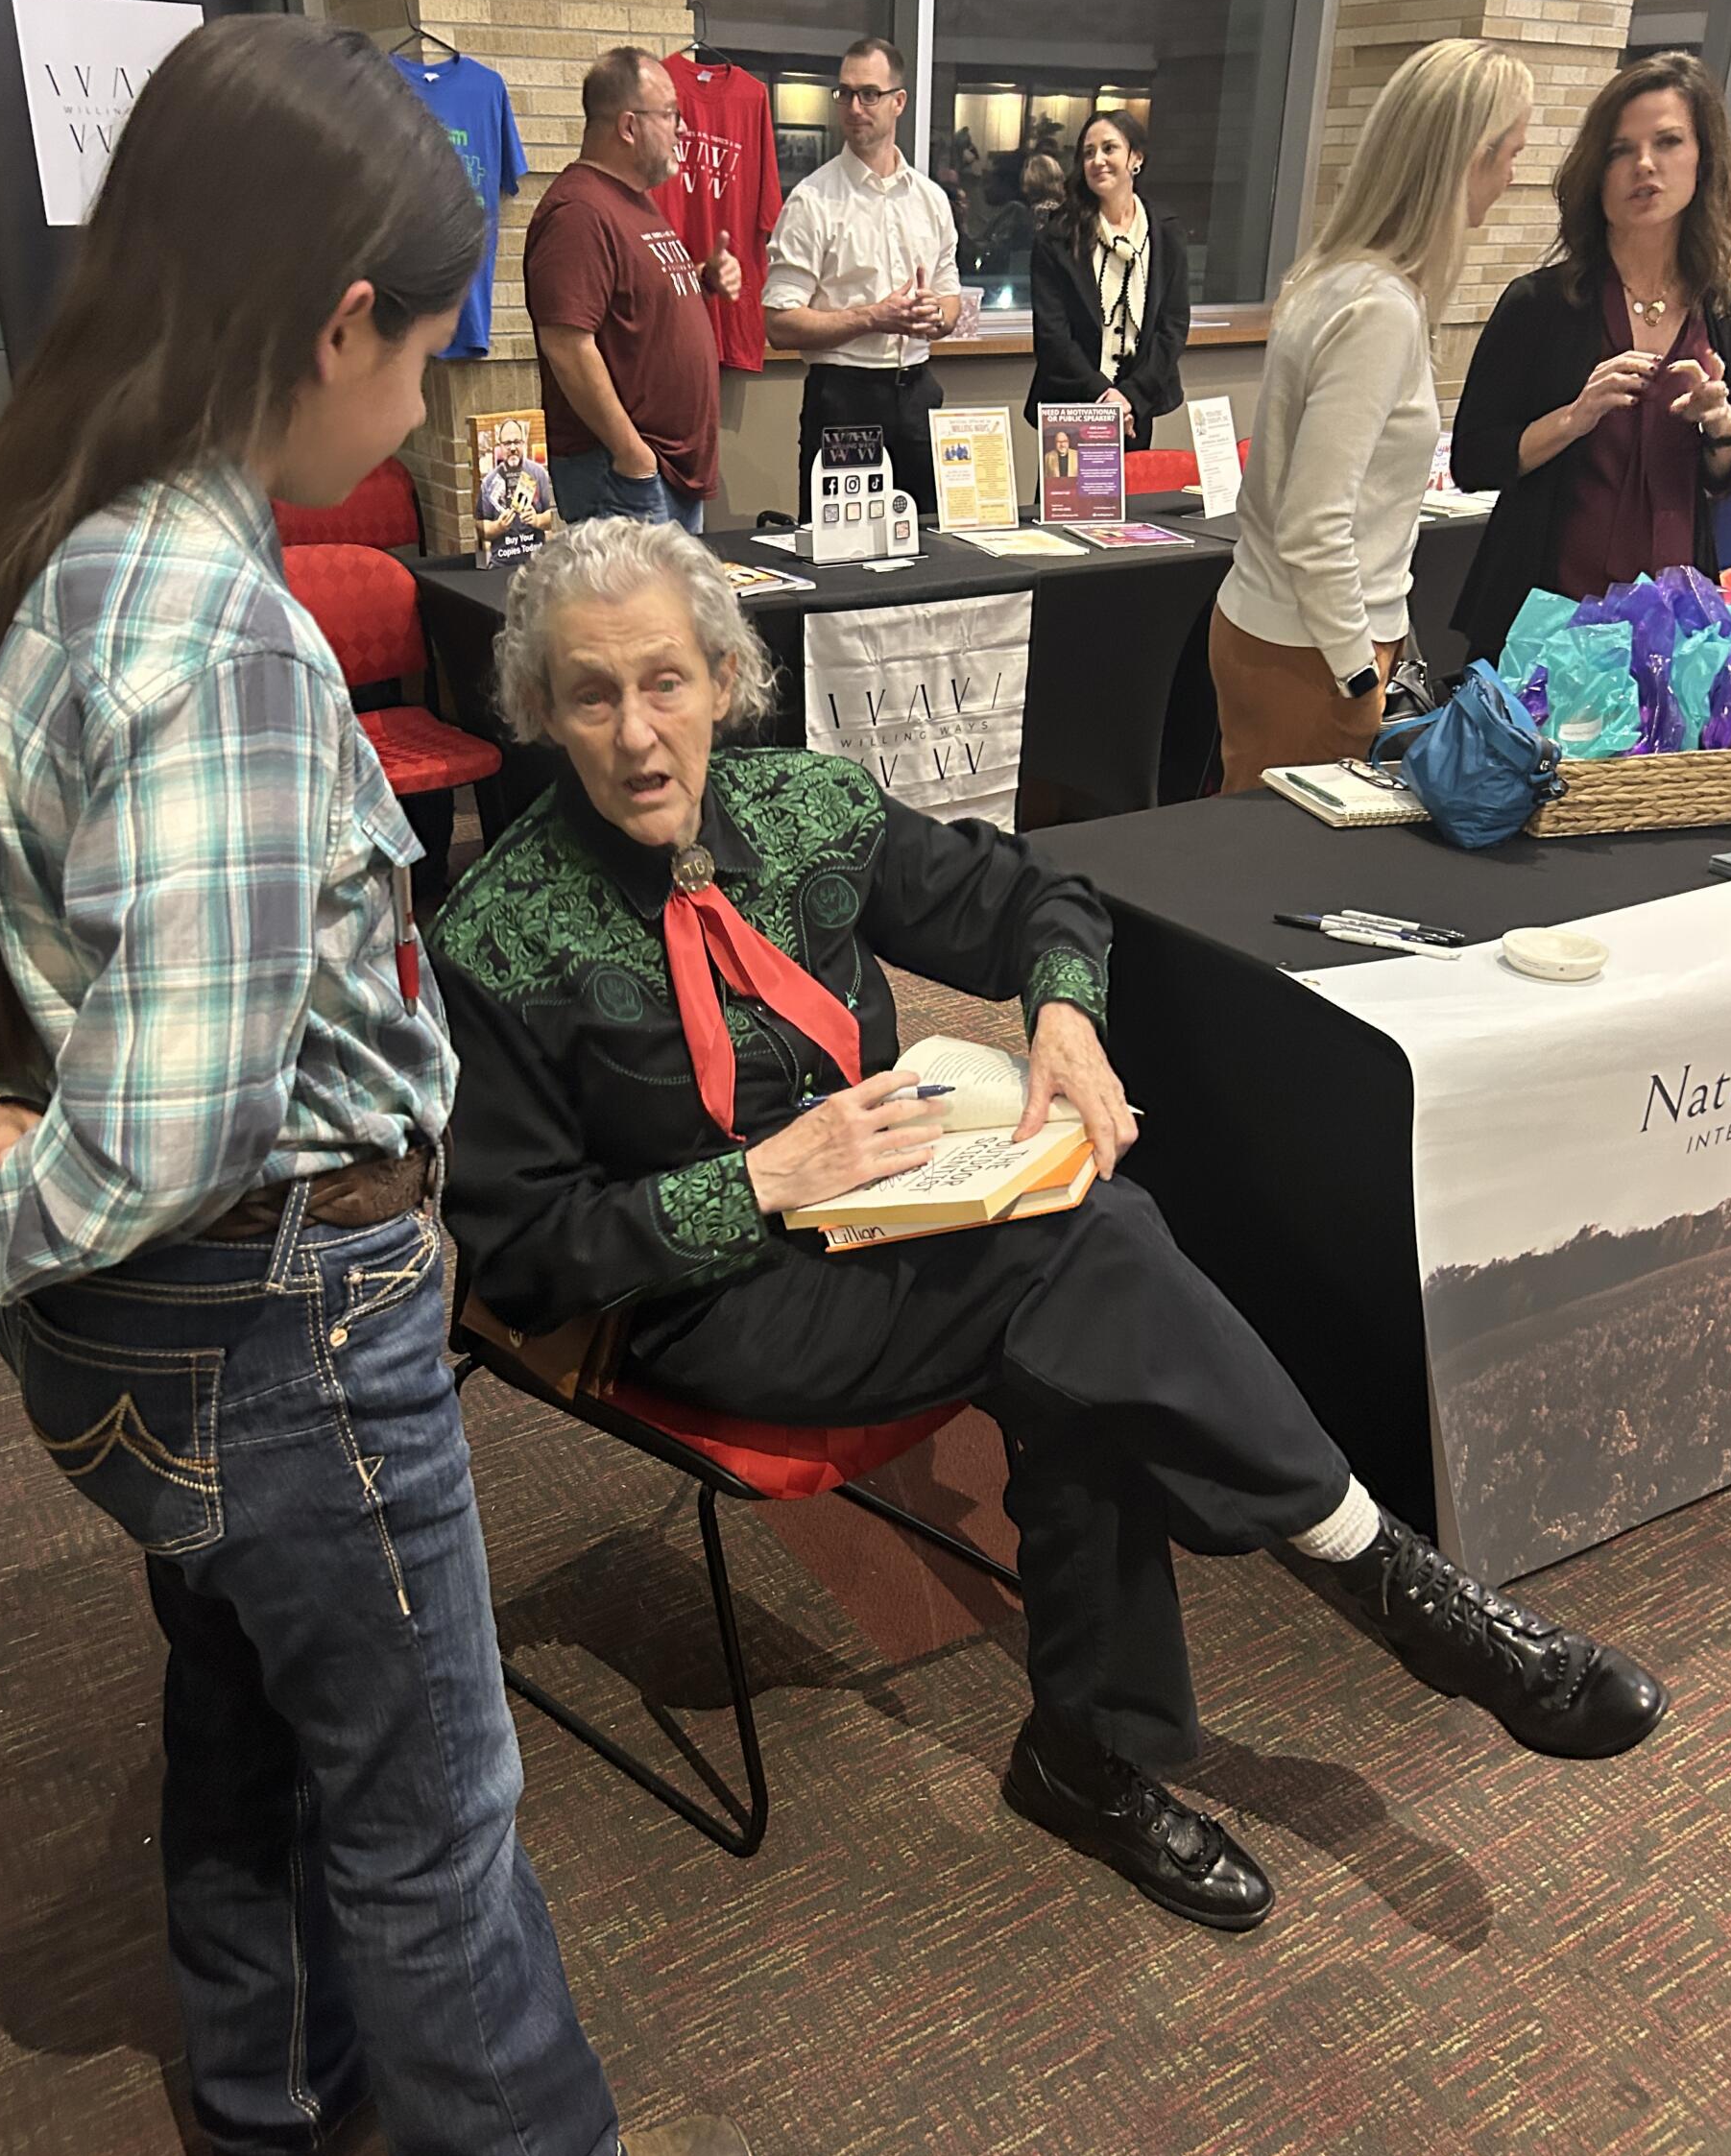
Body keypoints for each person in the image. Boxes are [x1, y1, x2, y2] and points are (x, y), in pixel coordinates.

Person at [0, 18, 751, 2156]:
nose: (428, 403)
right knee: (425, 1783)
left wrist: (6, 1194)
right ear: (328, 327)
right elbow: (172, 1121)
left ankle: (263, 2074)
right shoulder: (218, 637)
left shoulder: (51, 545)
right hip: (279, 1300)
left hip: (160, 1337)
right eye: (427, 347)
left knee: (242, 1686)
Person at [429, 516, 1666, 1940]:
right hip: (711, 1300)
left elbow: (1035, 897)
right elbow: (519, 1261)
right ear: (540, 711)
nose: (638, 732)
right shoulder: (496, 934)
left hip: (890, 1225)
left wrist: (1064, 1018)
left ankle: (1100, 1756)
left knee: (1075, 1323)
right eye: (592, 694)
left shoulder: (805, 809)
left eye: (665, 682)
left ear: (722, 676)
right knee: (1080, 1251)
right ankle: (1381, 1579)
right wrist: (759, 1181)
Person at [1209, 39, 1532, 792]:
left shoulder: (1338, 278)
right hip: (1311, 652)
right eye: (1509, 154)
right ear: (1468, 159)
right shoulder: (1377, 306)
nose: (1514, 179)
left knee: (1251, 854)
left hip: (1285, 632)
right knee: (1275, 874)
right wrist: (1360, 677)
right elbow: (1314, 521)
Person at [1451, 51, 1731, 664]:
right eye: (1620, 150)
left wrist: (1720, 425)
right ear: (1596, 171)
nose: (1643, 165)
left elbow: (1729, 473)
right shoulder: (1540, 304)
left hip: (1673, 635)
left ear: (1703, 160)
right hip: (1538, 619)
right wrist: (1574, 417)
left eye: (1668, 142)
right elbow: (1475, 460)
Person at [523, 47, 742, 534]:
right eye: (670, 115)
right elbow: (565, 343)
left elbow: (637, 313)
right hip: (623, 476)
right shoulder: (579, 212)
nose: (682, 130)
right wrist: (632, 455)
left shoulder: (632, 203)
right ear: (628, 126)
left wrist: (704, 280)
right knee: (638, 613)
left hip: (663, 474)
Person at [762, 37, 962, 521]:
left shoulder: (931, 200)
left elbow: (951, 296)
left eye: (869, 94)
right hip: (844, 398)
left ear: (899, 102)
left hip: (918, 393)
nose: (855, 107)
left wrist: (936, 315)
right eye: (845, 94)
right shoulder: (813, 201)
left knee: (932, 543)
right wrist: (874, 317)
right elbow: (779, 324)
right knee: (843, 553)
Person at [1026, 108, 1190, 451]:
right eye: (1088, 152)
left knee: (1134, 503)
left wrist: (1129, 397)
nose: (1097, 160)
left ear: (1136, 158)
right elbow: (1053, 337)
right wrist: (1103, 398)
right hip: (1072, 405)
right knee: (1069, 507)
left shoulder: (1166, 233)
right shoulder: (1057, 237)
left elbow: (1172, 327)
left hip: (1136, 407)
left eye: (1109, 148)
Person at [475, 415, 554, 561]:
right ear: (500, 446)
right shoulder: (489, 482)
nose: (512, 448)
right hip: (501, 561)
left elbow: (553, 517)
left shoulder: (539, 474)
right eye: (507, 443)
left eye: (517, 442)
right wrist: (498, 527)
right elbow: (480, 527)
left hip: (536, 559)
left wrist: (537, 519)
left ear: (523, 443)